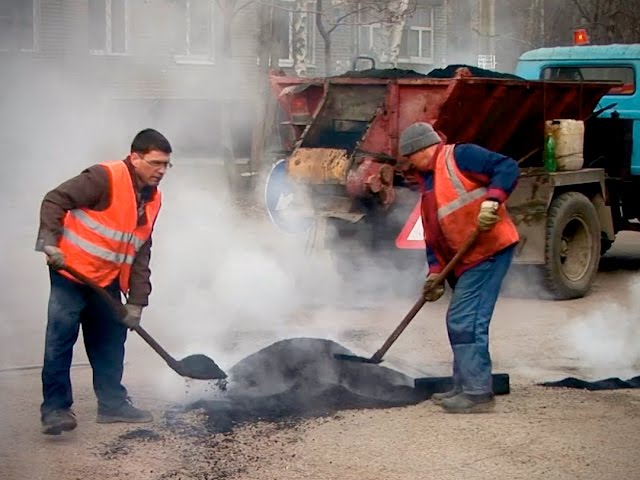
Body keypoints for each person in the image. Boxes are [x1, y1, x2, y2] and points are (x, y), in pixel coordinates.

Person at [35, 128, 172, 434]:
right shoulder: (103, 177)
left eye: (166, 165)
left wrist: (137, 301)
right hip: (70, 272)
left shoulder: (152, 199)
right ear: (135, 158)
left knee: (111, 340)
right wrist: (50, 242)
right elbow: (54, 200)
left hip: (106, 280)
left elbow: (141, 250)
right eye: (155, 162)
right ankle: (55, 410)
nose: (161, 170)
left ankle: (112, 405)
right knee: (60, 339)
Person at [398, 122, 520, 414]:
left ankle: (477, 394)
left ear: (421, 149)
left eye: (409, 157)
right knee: (462, 320)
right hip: (464, 260)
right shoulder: (427, 183)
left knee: (465, 320)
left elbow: (507, 167)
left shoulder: (460, 156)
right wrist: (435, 272)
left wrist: (493, 201)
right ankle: (464, 385)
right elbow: (433, 236)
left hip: (488, 250)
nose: (408, 164)